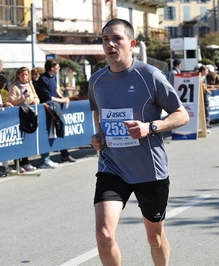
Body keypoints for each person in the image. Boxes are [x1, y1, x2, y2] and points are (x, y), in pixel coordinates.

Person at [88, 18, 189, 266]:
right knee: (104, 235)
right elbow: (97, 111)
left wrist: (150, 127)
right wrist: (99, 134)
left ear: (131, 43)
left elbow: (182, 115)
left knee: (155, 238)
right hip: (112, 166)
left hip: (149, 169)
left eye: (117, 39)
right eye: (105, 39)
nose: (110, 44)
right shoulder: (97, 81)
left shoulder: (150, 76)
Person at [35, 59, 76, 168]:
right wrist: (61, 101)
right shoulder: (43, 79)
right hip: (46, 110)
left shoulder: (53, 77)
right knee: (48, 133)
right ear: (52, 67)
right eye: (57, 67)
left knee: (59, 129)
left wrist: (63, 98)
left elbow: (55, 91)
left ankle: (64, 154)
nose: (59, 68)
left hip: (54, 108)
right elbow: (48, 96)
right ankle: (45, 159)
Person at [8, 67, 40, 173]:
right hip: (18, 115)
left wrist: (35, 100)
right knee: (17, 139)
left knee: (26, 138)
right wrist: (23, 97)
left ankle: (26, 162)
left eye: (26, 75)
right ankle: (18, 163)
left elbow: (36, 96)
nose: (24, 77)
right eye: (22, 75)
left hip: (28, 114)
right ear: (18, 75)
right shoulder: (14, 86)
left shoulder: (29, 85)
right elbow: (11, 102)